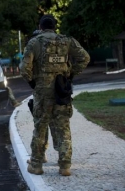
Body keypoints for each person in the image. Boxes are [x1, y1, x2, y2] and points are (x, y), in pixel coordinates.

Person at [19, 14, 90, 176]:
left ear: (40, 27)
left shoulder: (35, 42)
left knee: (40, 128)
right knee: (63, 127)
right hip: (61, 91)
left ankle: (36, 165)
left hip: (42, 93)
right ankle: (65, 166)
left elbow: (25, 68)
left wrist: (32, 82)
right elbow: (85, 58)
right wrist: (70, 74)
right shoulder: (67, 41)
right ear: (55, 27)